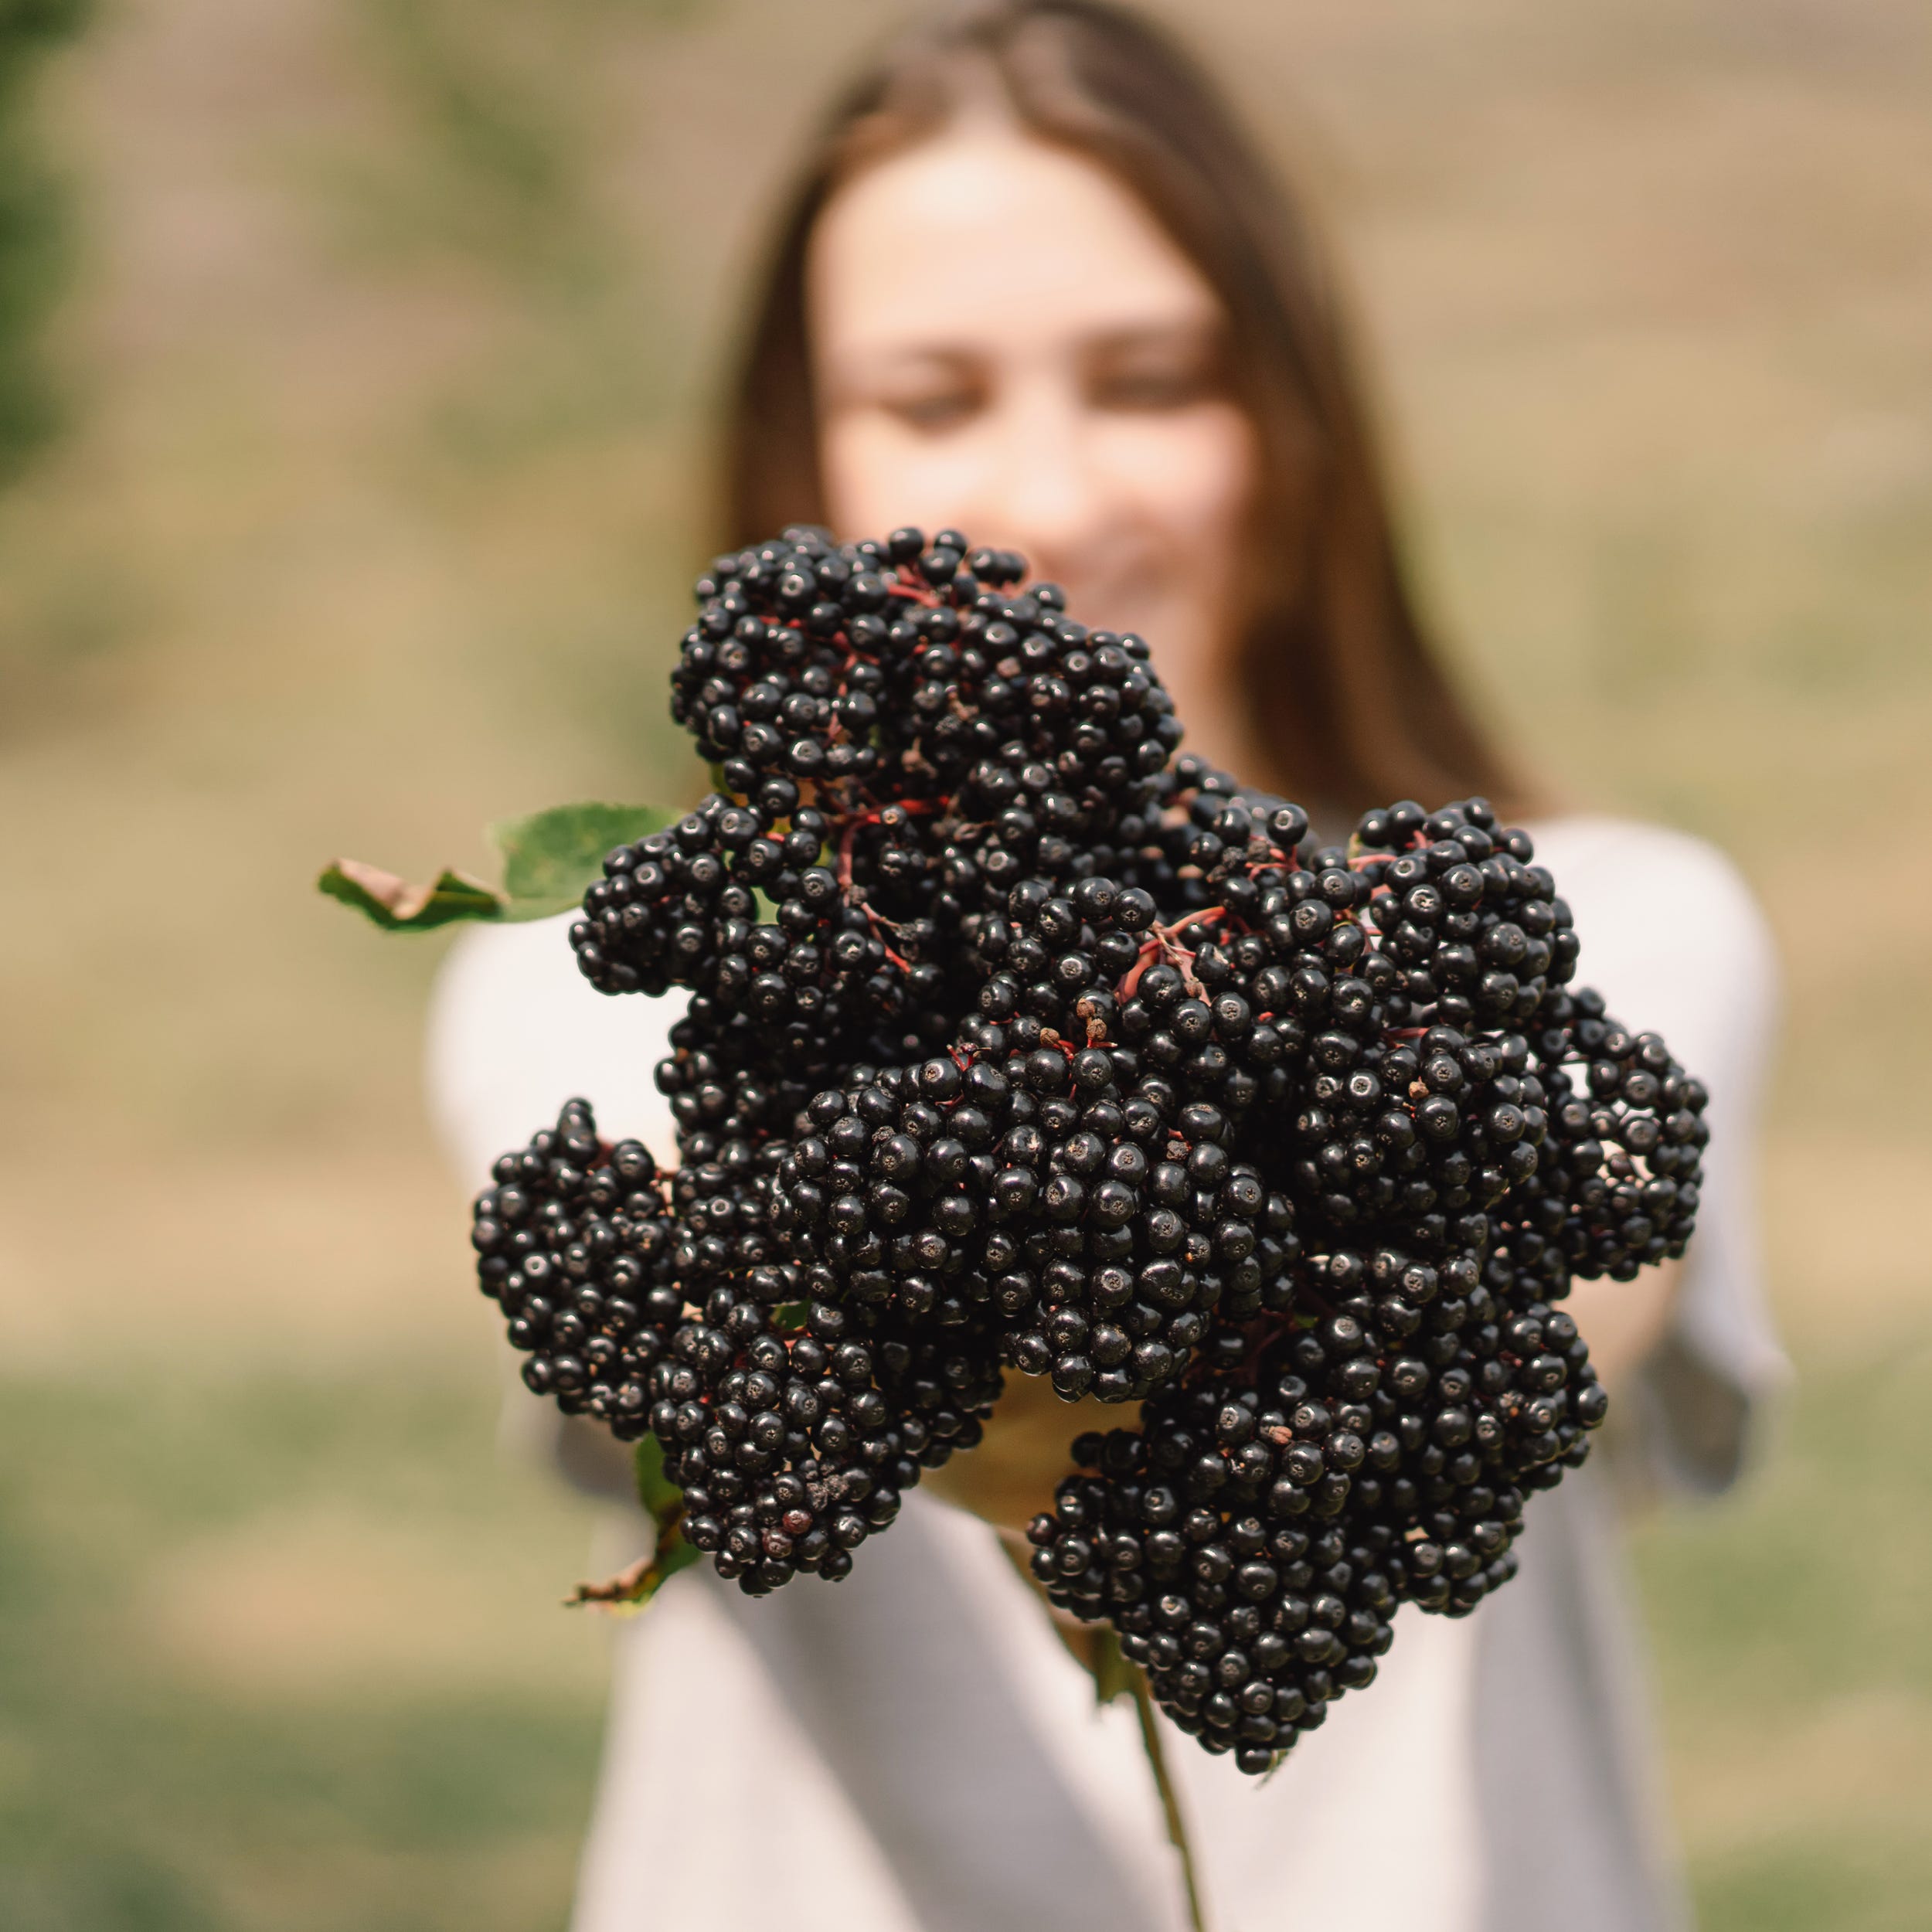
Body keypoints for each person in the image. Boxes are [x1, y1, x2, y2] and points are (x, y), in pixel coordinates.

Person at [427, 5, 1783, 1928]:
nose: (1049, 500)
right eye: (930, 393)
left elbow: (1572, 1295)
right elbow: (652, 1284)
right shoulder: (594, 977)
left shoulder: (1616, 913)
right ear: (797, 449)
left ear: (1298, 423)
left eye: (1147, 380)